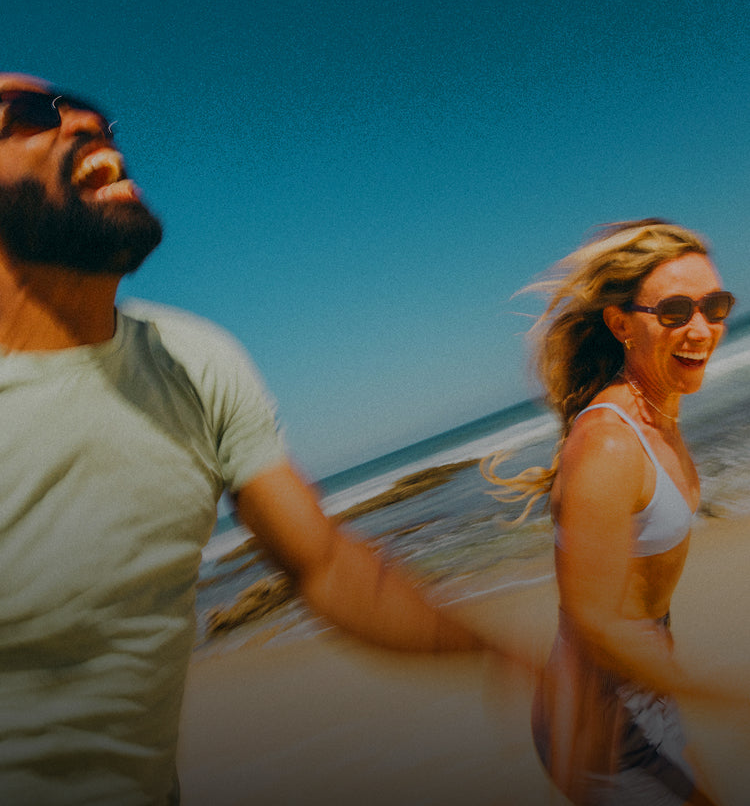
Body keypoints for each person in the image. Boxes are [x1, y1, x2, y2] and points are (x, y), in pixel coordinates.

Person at [0, 73, 499, 806]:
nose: (85, 122)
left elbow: (325, 564)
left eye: (94, 111)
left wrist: (516, 662)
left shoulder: (194, 358)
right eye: (32, 113)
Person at [483, 219, 741, 805]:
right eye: (675, 311)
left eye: (716, 305)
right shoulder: (608, 443)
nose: (702, 329)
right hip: (603, 732)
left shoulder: (659, 412)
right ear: (622, 324)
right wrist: (732, 700)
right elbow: (594, 624)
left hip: (644, 700)